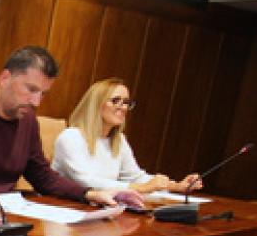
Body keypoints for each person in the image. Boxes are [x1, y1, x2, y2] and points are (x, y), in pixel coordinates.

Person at [0, 46, 139, 207]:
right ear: (4, 78)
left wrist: (89, 194)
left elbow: (42, 175)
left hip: (3, 212)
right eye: (30, 89)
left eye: (43, 94)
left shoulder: (28, 120)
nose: (36, 101)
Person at [53, 78, 202, 195]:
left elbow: (136, 177)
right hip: (64, 207)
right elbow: (86, 181)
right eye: (115, 100)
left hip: (98, 207)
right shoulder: (71, 137)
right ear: (95, 104)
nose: (123, 107)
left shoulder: (119, 140)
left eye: (126, 102)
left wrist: (177, 186)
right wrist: (142, 188)